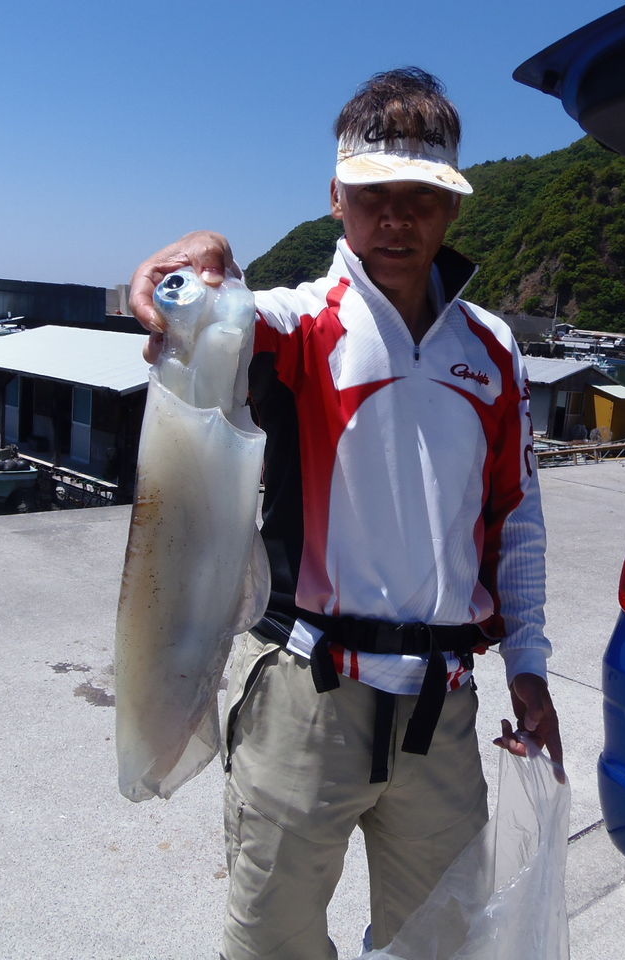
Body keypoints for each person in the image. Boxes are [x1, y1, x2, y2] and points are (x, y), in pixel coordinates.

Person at [129, 67, 561, 960]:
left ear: (452, 210)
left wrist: (530, 667)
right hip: (306, 699)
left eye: (419, 198)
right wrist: (195, 261)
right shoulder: (290, 325)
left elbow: (517, 519)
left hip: (443, 717)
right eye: (373, 196)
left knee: (441, 945)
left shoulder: (496, 349)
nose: (394, 219)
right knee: (271, 947)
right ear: (336, 197)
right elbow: (202, 314)